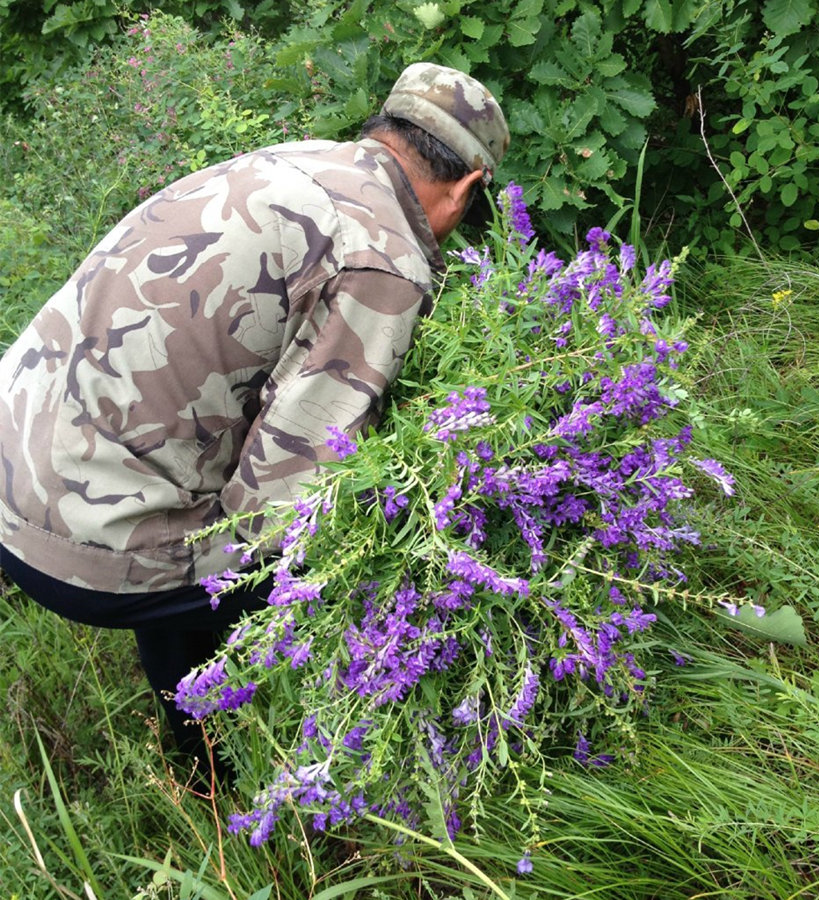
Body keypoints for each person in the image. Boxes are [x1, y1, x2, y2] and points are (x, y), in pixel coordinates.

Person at [0, 62, 509, 777]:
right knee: (329, 551)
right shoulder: (384, 260)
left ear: (384, 130)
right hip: (82, 554)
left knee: (200, 508)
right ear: (467, 186)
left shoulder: (291, 161)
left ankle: (195, 741)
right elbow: (287, 496)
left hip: (12, 466)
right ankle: (255, 769)